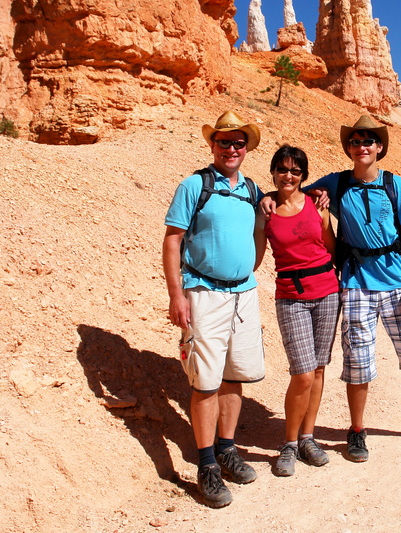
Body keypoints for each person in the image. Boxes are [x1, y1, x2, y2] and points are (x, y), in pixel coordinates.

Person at [305, 114, 401, 462]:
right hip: (355, 283)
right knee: (357, 361)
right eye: (355, 142)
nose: (361, 147)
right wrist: (269, 198)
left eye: (368, 141)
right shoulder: (338, 183)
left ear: (379, 147)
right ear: (349, 148)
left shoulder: (394, 184)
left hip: (396, 282)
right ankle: (356, 430)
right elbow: (296, 192)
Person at [162, 110, 264, 508]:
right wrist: (177, 294)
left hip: (244, 293)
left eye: (239, 142)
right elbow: (173, 241)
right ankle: (206, 465)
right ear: (212, 145)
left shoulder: (252, 189)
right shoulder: (194, 185)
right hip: (203, 293)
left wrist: (249, 266)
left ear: (246, 148)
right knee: (205, 380)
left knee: (233, 375)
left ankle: (227, 448)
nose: (231, 148)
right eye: (224, 142)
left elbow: (262, 226)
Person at [254, 145, 340, 477]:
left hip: (327, 291)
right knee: (302, 373)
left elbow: (331, 246)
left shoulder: (317, 206)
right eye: (282, 169)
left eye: (295, 171)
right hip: (290, 295)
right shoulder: (267, 210)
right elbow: (257, 257)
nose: (288, 176)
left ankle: (307, 437)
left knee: (318, 370)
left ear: (303, 175)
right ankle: (288, 444)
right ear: (273, 172)